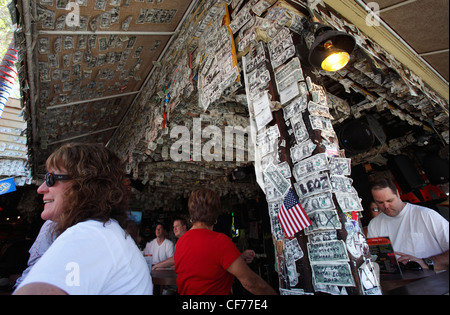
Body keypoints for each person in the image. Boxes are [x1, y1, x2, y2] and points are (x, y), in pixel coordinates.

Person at [14, 143, 153, 295]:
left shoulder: (90, 235)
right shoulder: (106, 231)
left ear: (84, 186)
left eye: (51, 178)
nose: (41, 189)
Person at [174, 188, 277, 295]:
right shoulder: (220, 241)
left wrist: (238, 258)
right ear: (216, 214)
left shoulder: (180, 243)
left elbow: (203, 267)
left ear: (191, 213)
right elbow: (251, 283)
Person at [367, 177, 449, 271]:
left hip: (435, 282)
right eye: (380, 202)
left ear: (398, 194)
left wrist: (426, 262)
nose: (386, 206)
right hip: (400, 282)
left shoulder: (426, 215)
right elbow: (378, 261)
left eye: (390, 200)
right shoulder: (374, 225)